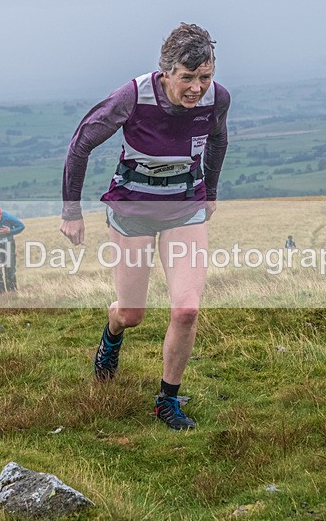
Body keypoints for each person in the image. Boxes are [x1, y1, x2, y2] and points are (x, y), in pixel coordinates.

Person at [60, 23, 229, 430]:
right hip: (132, 212)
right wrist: (71, 211)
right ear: (166, 72)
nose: (196, 88)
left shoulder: (217, 99)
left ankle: (166, 402)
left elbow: (219, 140)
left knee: (187, 309)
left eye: (204, 77)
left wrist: (210, 192)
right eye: (187, 78)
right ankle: (112, 333)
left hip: (183, 210)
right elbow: (82, 140)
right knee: (132, 313)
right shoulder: (133, 96)